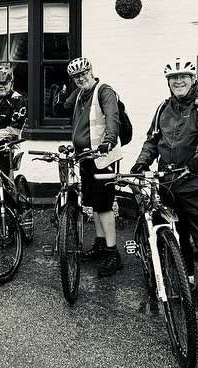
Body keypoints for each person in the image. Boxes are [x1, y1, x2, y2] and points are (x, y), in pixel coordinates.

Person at [131, 58, 198, 326]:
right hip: (168, 183)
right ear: (168, 83)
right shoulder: (163, 108)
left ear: (192, 80)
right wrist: (143, 161)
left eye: (183, 77)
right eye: (173, 78)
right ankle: (187, 280)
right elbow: (153, 139)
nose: (178, 81)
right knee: (178, 236)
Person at [53, 57, 124, 277]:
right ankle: (101, 243)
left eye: (84, 73)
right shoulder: (80, 94)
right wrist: (59, 94)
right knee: (93, 203)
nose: (81, 78)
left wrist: (109, 141)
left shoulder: (104, 91)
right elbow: (62, 108)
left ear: (91, 71)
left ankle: (113, 253)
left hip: (102, 156)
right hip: (84, 157)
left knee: (103, 204)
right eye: (76, 76)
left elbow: (113, 117)